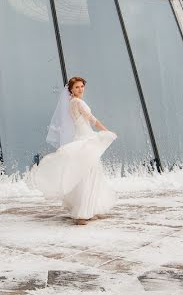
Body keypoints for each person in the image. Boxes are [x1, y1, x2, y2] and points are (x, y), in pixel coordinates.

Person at [29, 77, 117, 225]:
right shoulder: (77, 102)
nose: (80, 89)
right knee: (88, 174)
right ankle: (83, 212)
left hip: (83, 136)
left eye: (82, 86)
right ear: (71, 90)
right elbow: (92, 119)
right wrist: (107, 131)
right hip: (85, 138)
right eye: (77, 87)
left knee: (87, 174)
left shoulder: (72, 102)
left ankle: (89, 209)